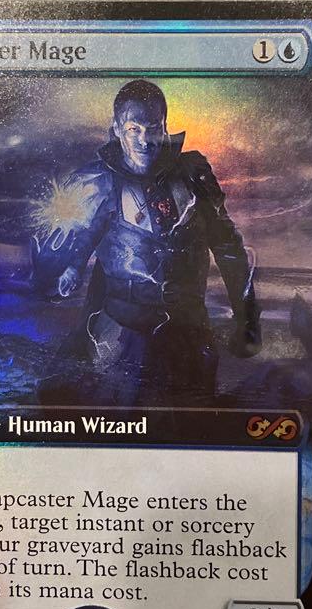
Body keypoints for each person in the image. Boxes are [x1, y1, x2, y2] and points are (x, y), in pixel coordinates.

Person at [31, 79, 260, 408]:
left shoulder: (193, 176)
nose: (144, 140)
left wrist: (247, 318)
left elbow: (228, 248)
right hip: (122, 341)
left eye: (153, 128)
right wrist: (63, 272)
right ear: (117, 129)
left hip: (188, 340)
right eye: (133, 129)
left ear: (164, 126)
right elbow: (70, 252)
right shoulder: (97, 184)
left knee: (192, 426)